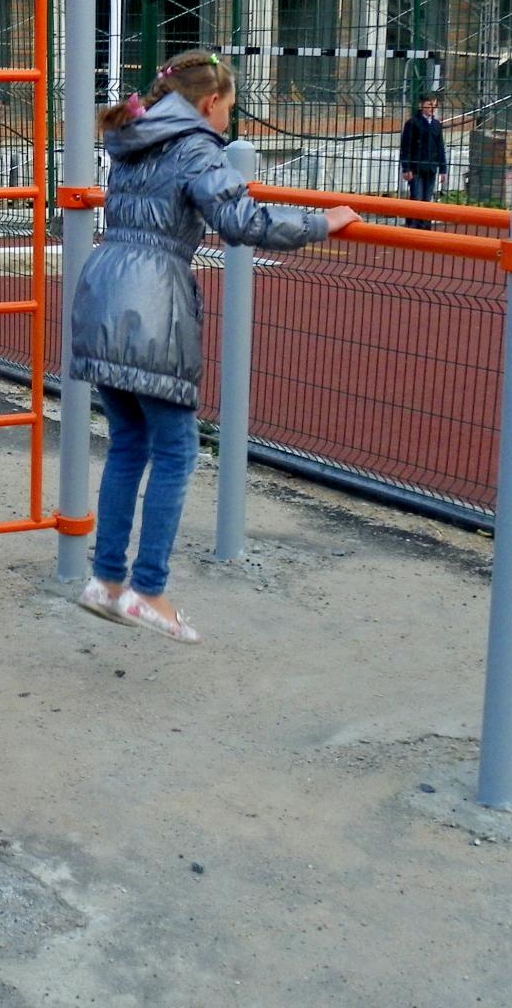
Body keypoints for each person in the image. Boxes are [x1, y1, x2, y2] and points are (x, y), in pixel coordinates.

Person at [68, 50, 357, 644]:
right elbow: (242, 221)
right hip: (152, 299)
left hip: (104, 288)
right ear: (209, 103)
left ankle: (106, 580)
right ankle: (148, 591)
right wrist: (319, 223)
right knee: (176, 451)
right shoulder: (198, 146)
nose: (230, 119)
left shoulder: (132, 139)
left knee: (128, 443)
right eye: (229, 107)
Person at [399, 93, 448, 227]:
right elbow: (406, 146)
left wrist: (443, 169)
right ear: (421, 106)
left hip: (431, 167)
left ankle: (425, 226)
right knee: (417, 197)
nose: (432, 108)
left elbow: (440, 147)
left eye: (435, 105)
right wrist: (406, 168)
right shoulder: (413, 123)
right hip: (416, 167)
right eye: (429, 105)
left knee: (427, 199)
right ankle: (412, 225)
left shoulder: (436, 124)